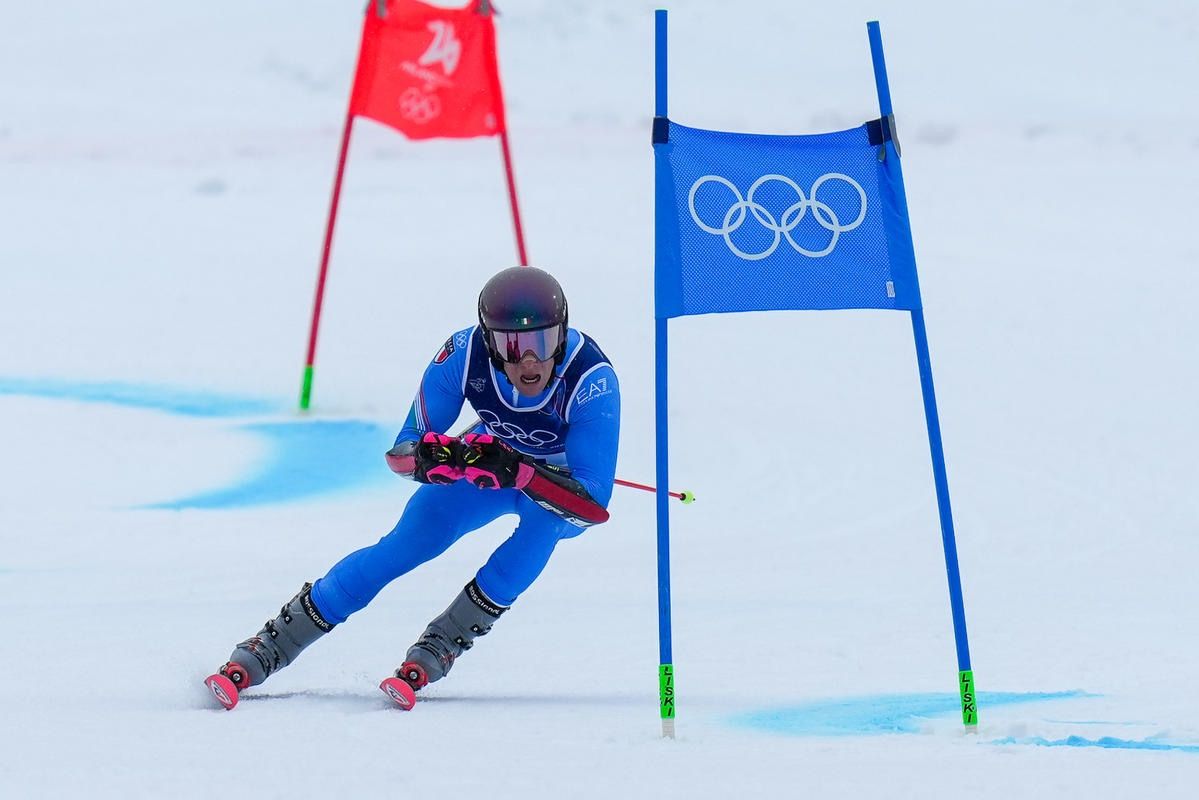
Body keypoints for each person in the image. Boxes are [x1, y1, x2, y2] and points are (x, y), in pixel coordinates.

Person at [207, 266, 620, 708]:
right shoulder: (463, 355)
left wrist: (522, 473)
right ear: (488, 341)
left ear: (563, 332)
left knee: (539, 532)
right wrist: (435, 458)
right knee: (405, 544)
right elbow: (402, 453)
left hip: (556, 491)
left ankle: (442, 644)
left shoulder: (591, 380)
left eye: (543, 341)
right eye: (512, 346)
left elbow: (591, 506)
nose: (530, 361)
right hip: (489, 465)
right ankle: (272, 644)